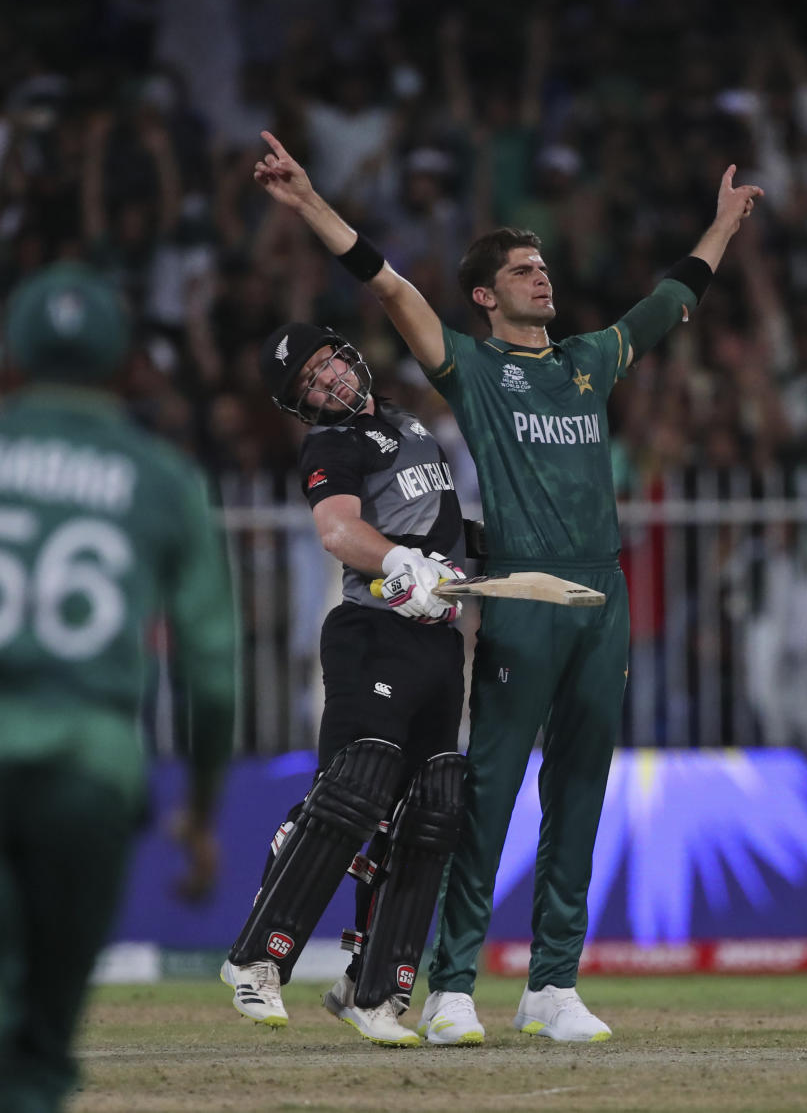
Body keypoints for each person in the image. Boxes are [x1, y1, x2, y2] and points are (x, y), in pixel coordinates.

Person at [252, 130, 762, 1043]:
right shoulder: (474, 371)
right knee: (485, 790)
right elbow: (391, 285)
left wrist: (721, 227)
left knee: (580, 786)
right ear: (487, 295)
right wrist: (311, 204)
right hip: (522, 591)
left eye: (542, 266)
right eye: (524, 270)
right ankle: (451, 983)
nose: (543, 278)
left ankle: (552, 986)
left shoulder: (588, 361)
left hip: (601, 601)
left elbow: (671, 299)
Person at [0, 261, 238, 1113]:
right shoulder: (163, 478)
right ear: (125, 363)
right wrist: (205, 813)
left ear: (14, 354)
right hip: (89, 772)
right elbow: (212, 673)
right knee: (40, 1046)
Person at [219, 320, 468, 1046]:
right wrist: (401, 563)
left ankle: (374, 991)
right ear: (303, 405)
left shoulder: (404, 418)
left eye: (327, 363)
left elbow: (439, 528)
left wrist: (467, 557)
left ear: (347, 354)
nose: (328, 381)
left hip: (435, 640)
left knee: (430, 807)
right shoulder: (332, 444)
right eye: (310, 383)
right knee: (355, 790)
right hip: (374, 636)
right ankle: (255, 963)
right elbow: (338, 532)